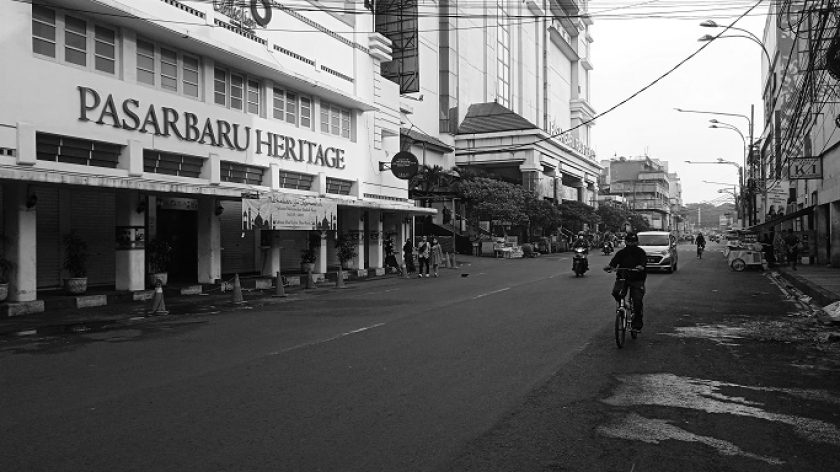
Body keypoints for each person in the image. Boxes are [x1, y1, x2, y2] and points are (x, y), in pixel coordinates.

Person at [604, 233, 647, 332]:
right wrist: (610, 267)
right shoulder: (621, 253)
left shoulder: (641, 252)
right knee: (616, 292)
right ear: (625, 242)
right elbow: (613, 263)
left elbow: (643, 263)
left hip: (637, 279)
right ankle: (624, 304)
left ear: (637, 242)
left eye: (633, 242)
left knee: (637, 301)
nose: (630, 243)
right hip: (623, 278)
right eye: (628, 241)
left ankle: (636, 325)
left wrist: (640, 267)